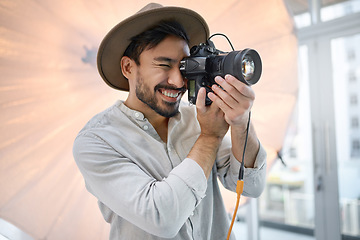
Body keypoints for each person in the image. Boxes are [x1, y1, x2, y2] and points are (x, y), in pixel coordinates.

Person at [73, 3, 267, 240]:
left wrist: (241, 122)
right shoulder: (97, 141)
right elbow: (161, 218)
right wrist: (209, 137)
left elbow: (251, 186)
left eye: (183, 67)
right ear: (128, 67)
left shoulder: (197, 117)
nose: (178, 81)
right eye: (164, 65)